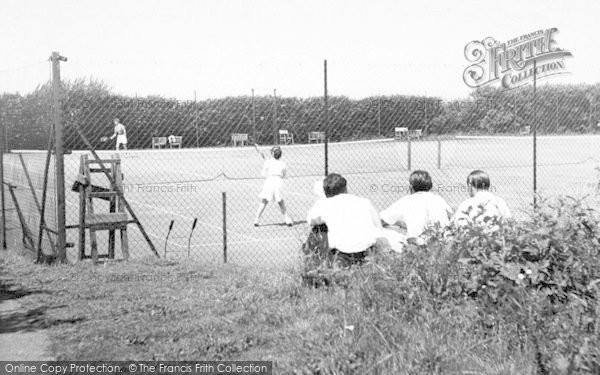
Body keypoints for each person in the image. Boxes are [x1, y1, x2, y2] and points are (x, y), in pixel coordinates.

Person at [306, 173, 386, 266]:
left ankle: (317, 263)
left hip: (344, 253)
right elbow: (379, 228)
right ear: (345, 189)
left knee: (318, 228)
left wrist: (322, 200)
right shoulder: (364, 202)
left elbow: (310, 220)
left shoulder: (326, 204)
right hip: (368, 250)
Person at [380, 170, 452, 243]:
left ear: (411, 187)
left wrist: (395, 223)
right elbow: (452, 218)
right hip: (443, 242)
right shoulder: (439, 199)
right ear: (430, 186)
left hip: (418, 243)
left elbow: (381, 221)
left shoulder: (406, 201)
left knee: (386, 229)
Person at [254, 146, 293, 227]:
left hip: (269, 182)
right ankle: (287, 220)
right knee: (281, 202)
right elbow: (285, 176)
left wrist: (269, 172)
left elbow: (263, 174)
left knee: (264, 201)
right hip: (279, 182)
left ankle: (256, 220)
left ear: (272, 154)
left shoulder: (268, 162)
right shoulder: (283, 164)